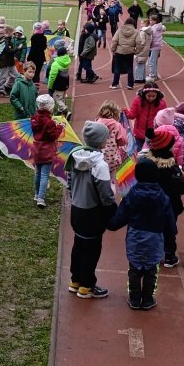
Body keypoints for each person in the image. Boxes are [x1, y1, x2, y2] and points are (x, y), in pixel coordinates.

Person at [108, 157, 176, 310]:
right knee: (151, 270)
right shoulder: (163, 197)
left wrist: (110, 221)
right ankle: (147, 299)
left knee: (135, 268)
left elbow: (120, 217)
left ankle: (134, 298)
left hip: (136, 237)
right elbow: (170, 222)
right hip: (155, 238)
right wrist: (171, 238)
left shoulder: (132, 195)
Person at [66, 121, 117, 299]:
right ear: (100, 141)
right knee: (92, 249)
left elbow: (69, 184)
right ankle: (87, 286)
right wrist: (112, 209)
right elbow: (105, 193)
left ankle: (75, 281)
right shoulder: (100, 165)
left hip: (77, 209)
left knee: (78, 245)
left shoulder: (74, 157)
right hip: (92, 213)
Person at [143, 126, 184, 268]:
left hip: (150, 203)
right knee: (169, 229)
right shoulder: (171, 167)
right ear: (167, 146)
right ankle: (169, 256)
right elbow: (181, 188)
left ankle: (151, 253)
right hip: (169, 204)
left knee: (152, 228)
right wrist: (180, 177)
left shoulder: (146, 162)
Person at [32, 94, 63, 208]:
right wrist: (59, 127)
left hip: (37, 149)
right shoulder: (49, 122)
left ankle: (36, 194)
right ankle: (41, 198)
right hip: (46, 151)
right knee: (45, 175)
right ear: (49, 107)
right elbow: (53, 136)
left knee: (38, 173)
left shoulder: (34, 118)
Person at [96, 100, 130, 182]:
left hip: (98, 157)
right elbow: (123, 141)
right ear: (115, 113)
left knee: (101, 178)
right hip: (112, 158)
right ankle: (112, 189)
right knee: (112, 179)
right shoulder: (116, 125)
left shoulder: (97, 123)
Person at [110, 17, 138, 89]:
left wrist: (113, 50)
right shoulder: (136, 31)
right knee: (130, 68)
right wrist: (137, 51)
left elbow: (114, 40)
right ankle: (130, 84)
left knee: (117, 67)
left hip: (120, 51)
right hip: (130, 52)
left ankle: (114, 84)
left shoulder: (119, 30)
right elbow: (139, 42)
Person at [47, 40, 72, 116]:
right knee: (62, 97)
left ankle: (65, 109)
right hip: (65, 82)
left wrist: (50, 86)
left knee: (57, 98)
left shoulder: (55, 64)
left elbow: (52, 76)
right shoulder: (67, 61)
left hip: (58, 84)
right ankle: (60, 110)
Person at [132, 19, 151, 83]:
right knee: (143, 64)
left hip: (142, 50)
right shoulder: (149, 31)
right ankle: (142, 77)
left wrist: (137, 49)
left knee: (139, 63)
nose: (141, 24)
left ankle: (139, 78)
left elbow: (142, 42)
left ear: (145, 24)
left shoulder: (143, 32)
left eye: (142, 23)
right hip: (146, 50)